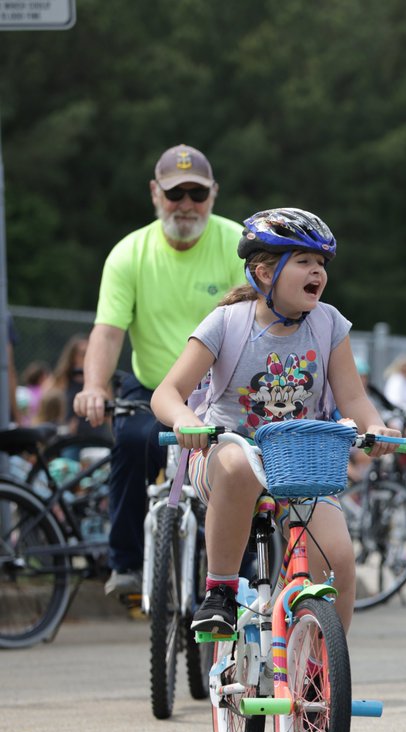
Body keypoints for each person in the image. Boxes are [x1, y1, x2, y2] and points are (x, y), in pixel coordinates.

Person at [152, 208, 403, 633]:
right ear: (265, 273)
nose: (317, 272)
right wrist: (182, 420)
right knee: (237, 467)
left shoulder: (328, 324)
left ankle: (319, 678)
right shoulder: (228, 322)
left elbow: (354, 398)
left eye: (321, 263)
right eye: (304, 261)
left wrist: (374, 426)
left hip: (298, 463)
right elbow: (167, 393)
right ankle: (221, 592)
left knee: (338, 559)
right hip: (225, 452)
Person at [75, 144, 244, 597]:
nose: (186, 204)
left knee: (241, 463)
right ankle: (126, 563)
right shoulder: (129, 253)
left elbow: (254, 319)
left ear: (214, 194)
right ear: (155, 193)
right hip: (151, 384)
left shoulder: (238, 243)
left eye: (197, 193)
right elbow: (108, 332)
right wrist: (93, 384)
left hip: (220, 388)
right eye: (175, 193)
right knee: (130, 442)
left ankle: (245, 577)